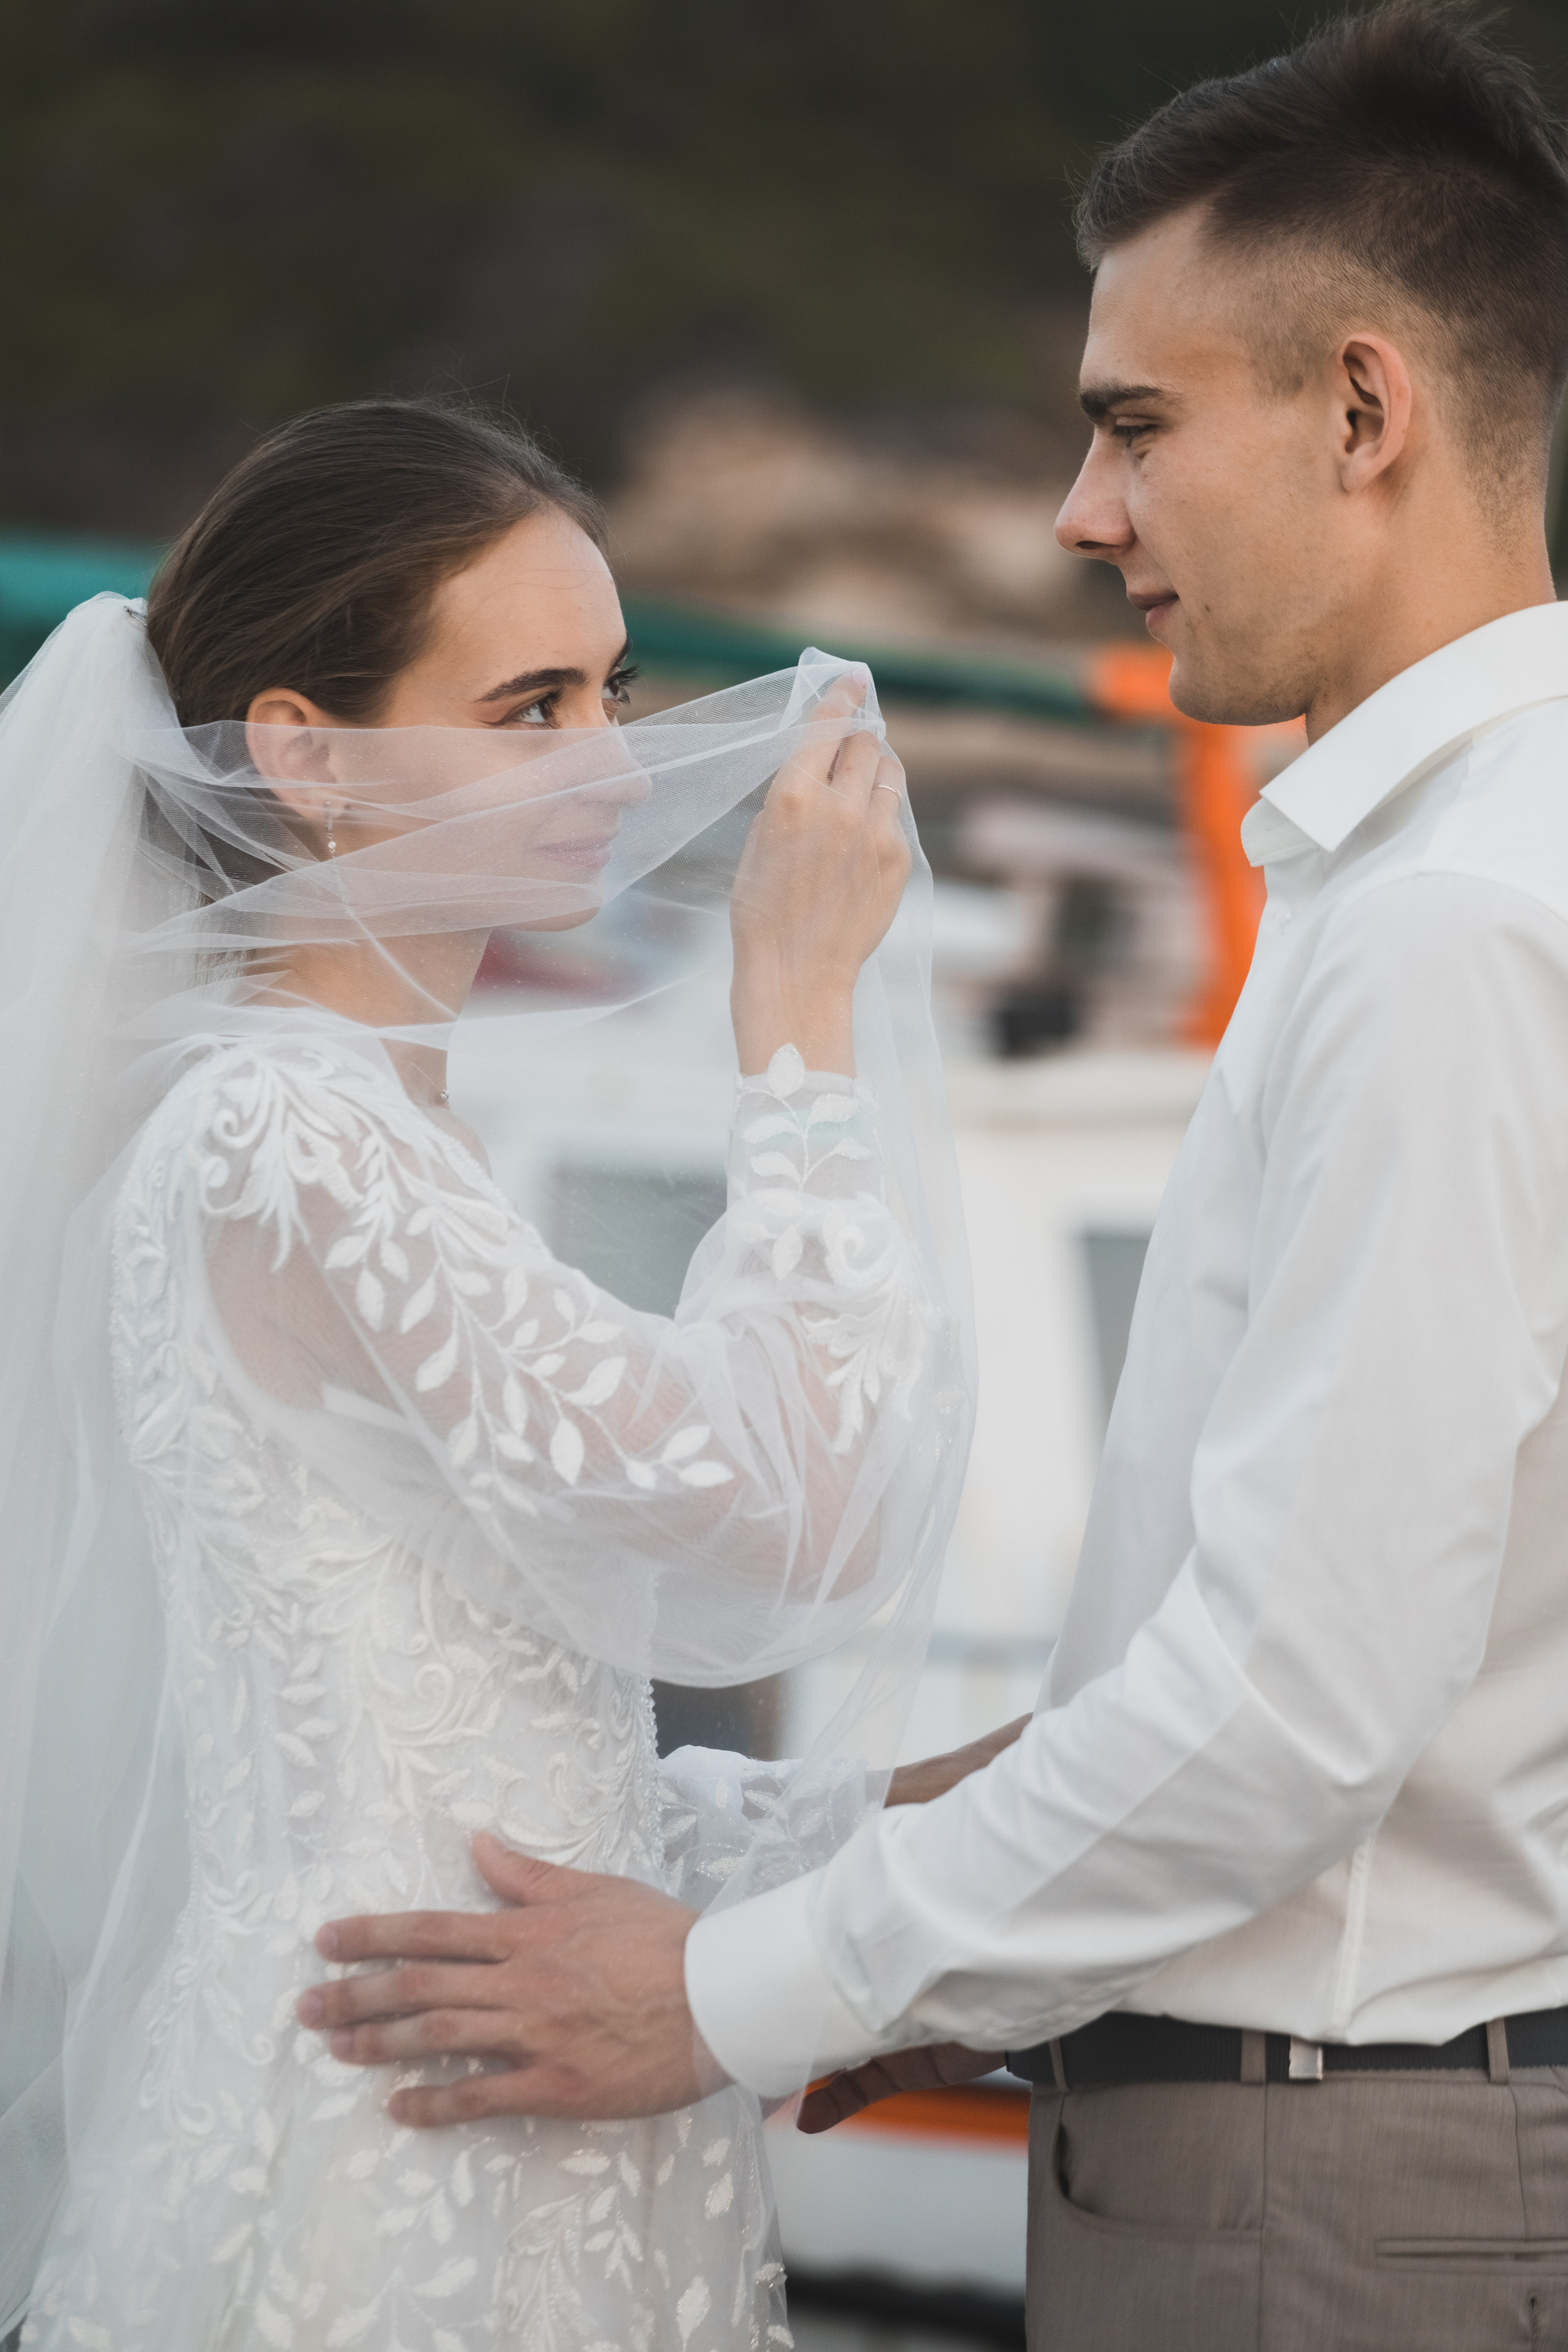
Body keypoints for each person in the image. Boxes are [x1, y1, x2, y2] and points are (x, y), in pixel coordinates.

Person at [296, 7, 1568, 2345]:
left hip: (1323, 2193)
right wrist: (929, 1924)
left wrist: (731, 1990)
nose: (1083, 514)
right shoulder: (1482, 869)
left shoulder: (1448, 931)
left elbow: (1294, 1708)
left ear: (1365, 410)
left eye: (1137, 426)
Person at [0, 399, 989, 2350]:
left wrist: (924, 1821)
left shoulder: (360, 1132)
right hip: (411, 2126)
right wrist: (798, 1019)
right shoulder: (287, 1132)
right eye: (529, 707)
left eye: (613, 692)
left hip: (508, 2049)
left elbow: (486, 1728)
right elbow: (793, 1515)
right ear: (304, 752)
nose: (615, 765)